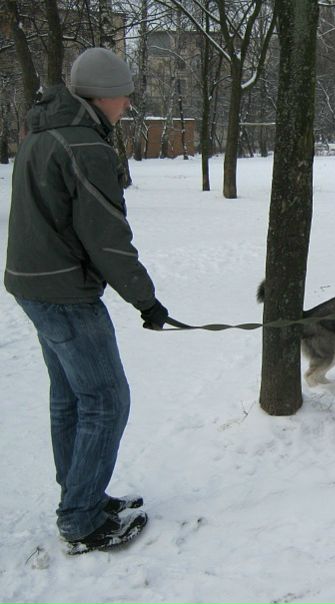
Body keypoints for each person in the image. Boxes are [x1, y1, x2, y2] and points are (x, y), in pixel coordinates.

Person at [4, 47, 169, 554]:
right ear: (103, 95)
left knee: (71, 398)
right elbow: (107, 238)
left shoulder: (42, 134)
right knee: (107, 400)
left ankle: (83, 497)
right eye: (124, 96)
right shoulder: (85, 146)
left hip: (33, 286)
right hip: (65, 295)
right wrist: (146, 300)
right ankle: (80, 518)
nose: (127, 105)